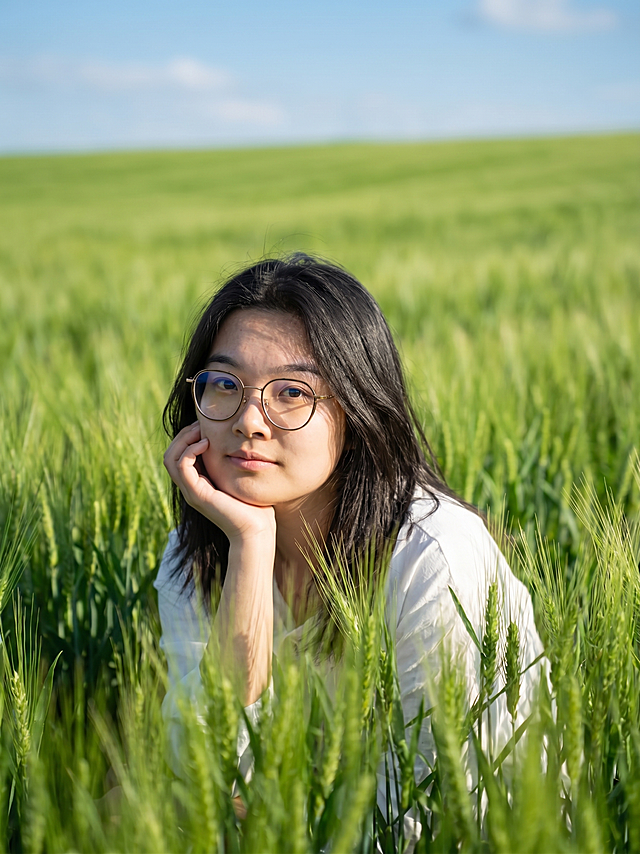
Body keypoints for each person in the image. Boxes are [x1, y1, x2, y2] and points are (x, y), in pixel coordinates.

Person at [155, 253, 545, 839]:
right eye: (224, 384)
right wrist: (251, 547)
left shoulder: (432, 561)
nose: (249, 421)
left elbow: (433, 816)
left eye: (291, 392)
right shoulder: (199, 552)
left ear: (358, 409)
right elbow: (199, 775)